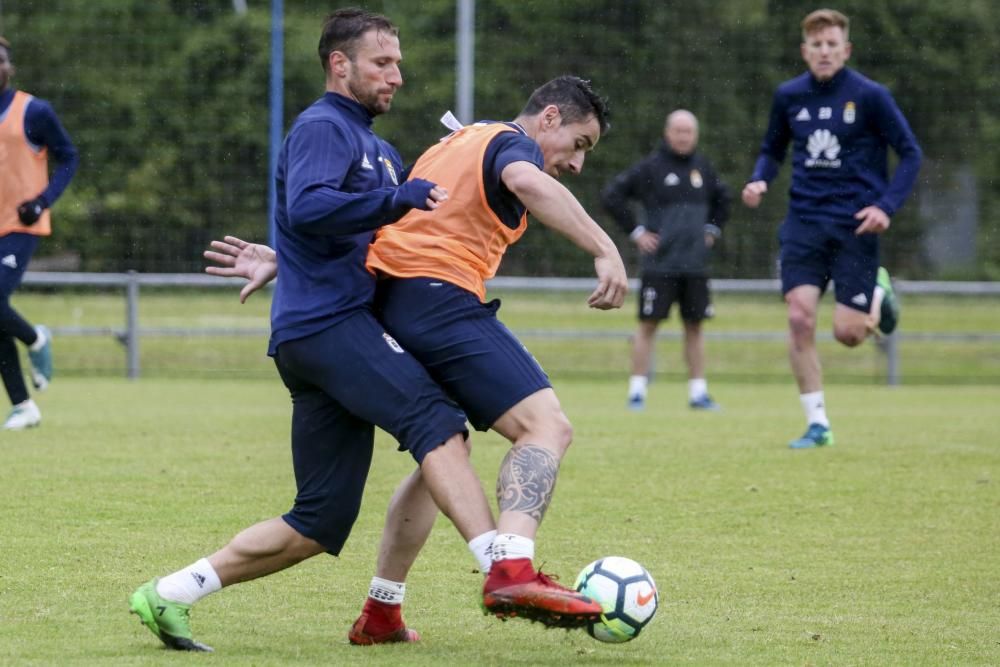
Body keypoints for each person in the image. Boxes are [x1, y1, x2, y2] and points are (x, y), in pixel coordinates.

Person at [128, 11, 602, 654]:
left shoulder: (377, 148)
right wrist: (389, 203)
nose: (397, 77)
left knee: (318, 522)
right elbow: (313, 206)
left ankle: (168, 593)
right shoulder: (325, 125)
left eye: (399, 64)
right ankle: (506, 569)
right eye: (383, 63)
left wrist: (281, 257)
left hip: (321, 330)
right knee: (439, 427)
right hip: (332, 326)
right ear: (339, 64)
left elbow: (355, 231)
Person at [741, 8, 921, 449]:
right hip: (803, 222)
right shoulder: (788, 96)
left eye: (832, 45)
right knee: (799, 318)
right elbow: (772, 149)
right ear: (805, 51)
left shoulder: (871, 96)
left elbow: (910, 153)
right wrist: (760, 176)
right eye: (816, 45)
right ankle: (817, 423)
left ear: (846, 49)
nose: (824, 52)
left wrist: (886, 207)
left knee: (849, 335)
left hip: (856, 226)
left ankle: (878, 294)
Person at [602, 109, 731, 412]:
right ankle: (637, 392)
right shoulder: (651, 168)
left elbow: (724, 199)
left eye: (689, 132)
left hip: (695, 266)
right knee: (647, 326)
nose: (684, 137)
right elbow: (612, 196)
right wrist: (636, 232)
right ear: (667, 133)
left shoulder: (704, 168)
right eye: (679, 131)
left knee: (695, 327)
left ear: (695, 135)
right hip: (660, 266)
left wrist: (712, 229)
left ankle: (698, 393)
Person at [0, 36, 78, 430]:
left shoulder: (34, 111)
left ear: (9, 68)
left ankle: (36, 339)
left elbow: (69, 156)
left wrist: (43, 200)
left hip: (20, 225)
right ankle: (24, 406)